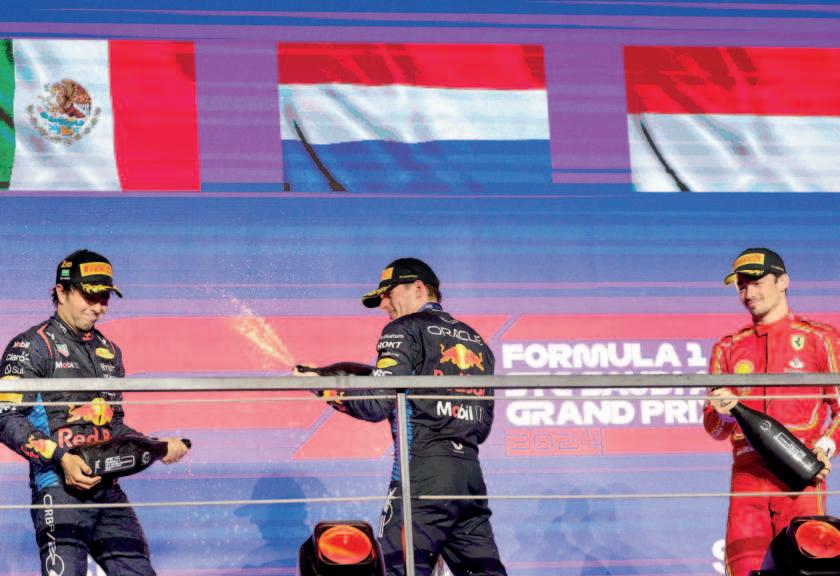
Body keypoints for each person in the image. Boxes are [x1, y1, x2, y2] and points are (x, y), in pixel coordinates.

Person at [295, 257, 507, 576]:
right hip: (469, 480)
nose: (384, 304)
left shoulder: (404, 328)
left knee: (395, 569)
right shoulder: (477, 341)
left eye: (388, 293)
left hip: (421, 477)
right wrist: (329, 374)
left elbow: (377, 404)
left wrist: (323, 388)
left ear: (417, 288)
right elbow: (482, 427)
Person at [0, 249, 189, 576]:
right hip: (57, 488)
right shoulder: (30, 346)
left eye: (105, 297)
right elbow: (5, 418)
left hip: (108, 490)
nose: (99, 306)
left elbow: (113, 425)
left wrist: (156, 446)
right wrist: (62, 458)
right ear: (61, 292)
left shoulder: (109, 352)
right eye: (90, 295)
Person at [704, 247, 840, 576]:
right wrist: (723, 414)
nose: (748, 294)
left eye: (756, 282)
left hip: (799, 473)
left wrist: (825, 447)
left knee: (805, 568)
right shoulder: (727, 347)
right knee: (745, 569)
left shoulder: (819, 338)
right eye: (741, 286)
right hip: (747, 478)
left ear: (783, 281)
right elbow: (714, 429)